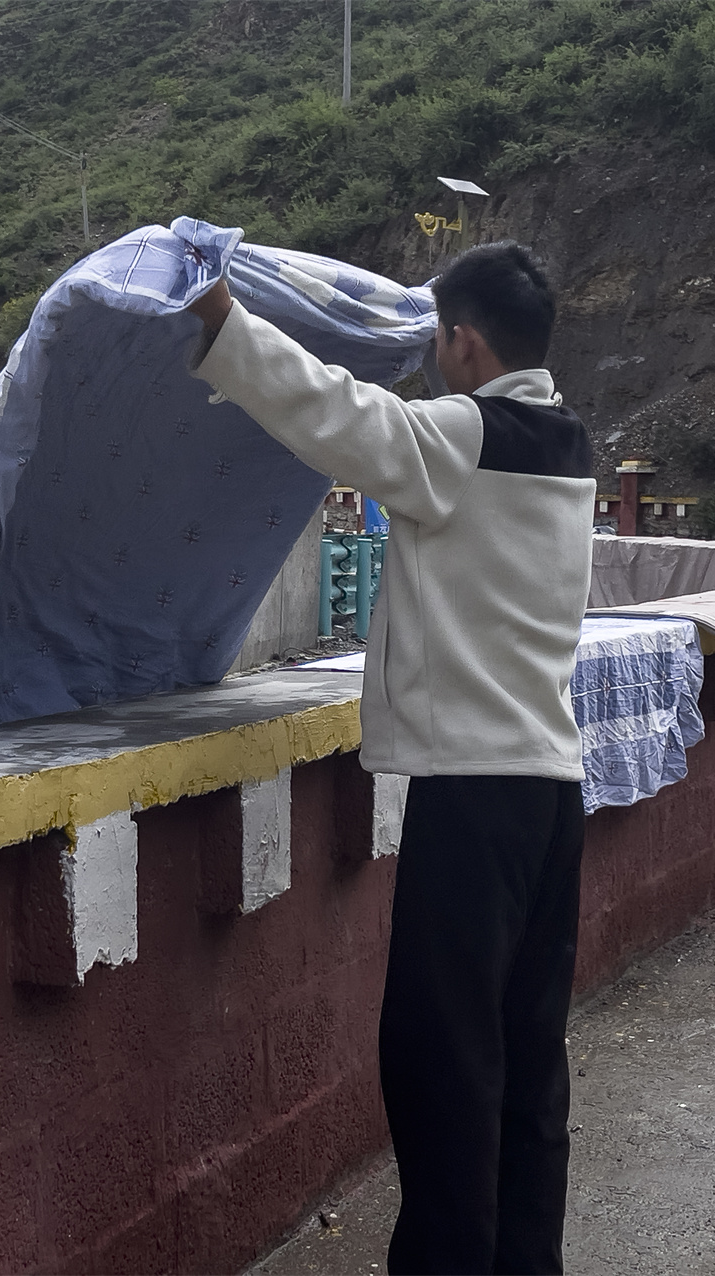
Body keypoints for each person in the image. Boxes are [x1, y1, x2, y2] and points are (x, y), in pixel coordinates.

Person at [184, 242, 594, 1275]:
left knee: (442, 1059)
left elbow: (339, 415)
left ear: (463, 341)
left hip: (475, 795)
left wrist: (226, 325)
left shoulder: (465, 436)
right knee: (527, 1060)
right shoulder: (568, 441)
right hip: (551, 792)